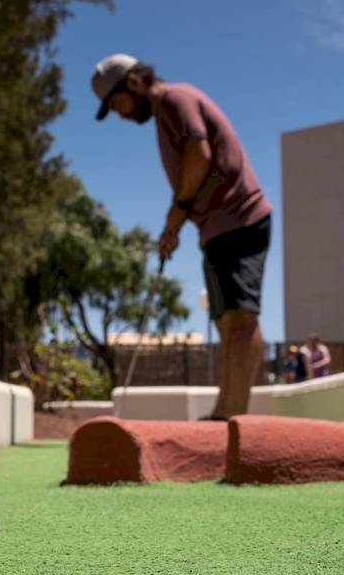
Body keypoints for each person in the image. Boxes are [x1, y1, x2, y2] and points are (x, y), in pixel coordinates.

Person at [92, 54, 272, 420]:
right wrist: (174, 225)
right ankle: (225, 414)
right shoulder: (164, 115)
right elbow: (193, 175)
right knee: (226, 322)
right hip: (216, 228)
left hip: (239, 218)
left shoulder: (176, 98)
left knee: (240, 318)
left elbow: (198, 153)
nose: (120, 114)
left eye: (117, 104)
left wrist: (178, 208)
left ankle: (231, 419)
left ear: (133, 83)